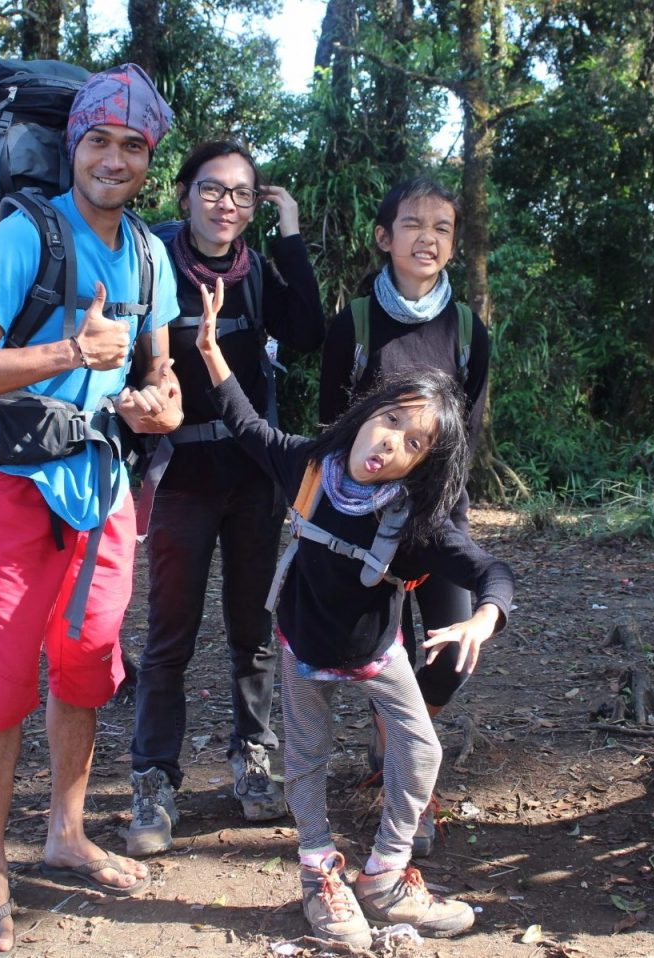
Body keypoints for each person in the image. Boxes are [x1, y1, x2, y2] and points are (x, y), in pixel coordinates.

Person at [0, 64, 181, 958]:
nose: (114, 159)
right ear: (73, 144)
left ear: (149, 159)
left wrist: (161, 406)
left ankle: (66, 832)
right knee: (0, 689)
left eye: (132, 146)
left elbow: (160, 374)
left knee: (84, 672)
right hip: (19, 490)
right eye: (99, 141)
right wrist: (69, 351)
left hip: (106, 495)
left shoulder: (149, 254)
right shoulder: (25, 233)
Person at [196, 278, 513, 946]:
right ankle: (319, 873)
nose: (392, 442)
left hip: (376, 653)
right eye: (391, 419)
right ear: (368, 411)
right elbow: (247, 424)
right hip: (303, 645)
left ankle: (385, 876)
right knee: (306, 759)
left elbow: (492, 571)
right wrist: (210, 351)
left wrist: (485, 617)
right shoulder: (309, 467)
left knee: (420, 749)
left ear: (423, 466)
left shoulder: (415, 519)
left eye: (415, 444)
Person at [126, 141, 325, 855]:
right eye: (213, 189)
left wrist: (290, 232)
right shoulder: (150, 264)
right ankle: (154, 779)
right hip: (179, 476)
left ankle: (254, 759)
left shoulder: (256, 274)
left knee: (253, 631)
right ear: (185, 194)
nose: (227, 205)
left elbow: (308, 333)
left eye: (242, 194)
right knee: (169, 635)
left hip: (250, 479)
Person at [318, 176, 491, 856]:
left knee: (449, 657)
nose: (428, 238)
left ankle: (396, 744)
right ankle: (406, 780)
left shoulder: (469, 330)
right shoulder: (355, 323)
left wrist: (443, 508)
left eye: (442, 228)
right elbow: (334, 427)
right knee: (380, 651)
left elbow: (465, 433)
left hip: (438, 516)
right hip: (367, 522)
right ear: (385, 237)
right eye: (414, 225)